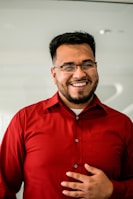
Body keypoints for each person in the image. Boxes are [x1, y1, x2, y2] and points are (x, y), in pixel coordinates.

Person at [0, 31, 133, 199]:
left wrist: (112, 190)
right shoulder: (25, 119)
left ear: (96, 68)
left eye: (87, 64)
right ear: (54, 74)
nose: (79, 74)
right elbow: (2, 185)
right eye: (68, 66)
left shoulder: (123, 124)